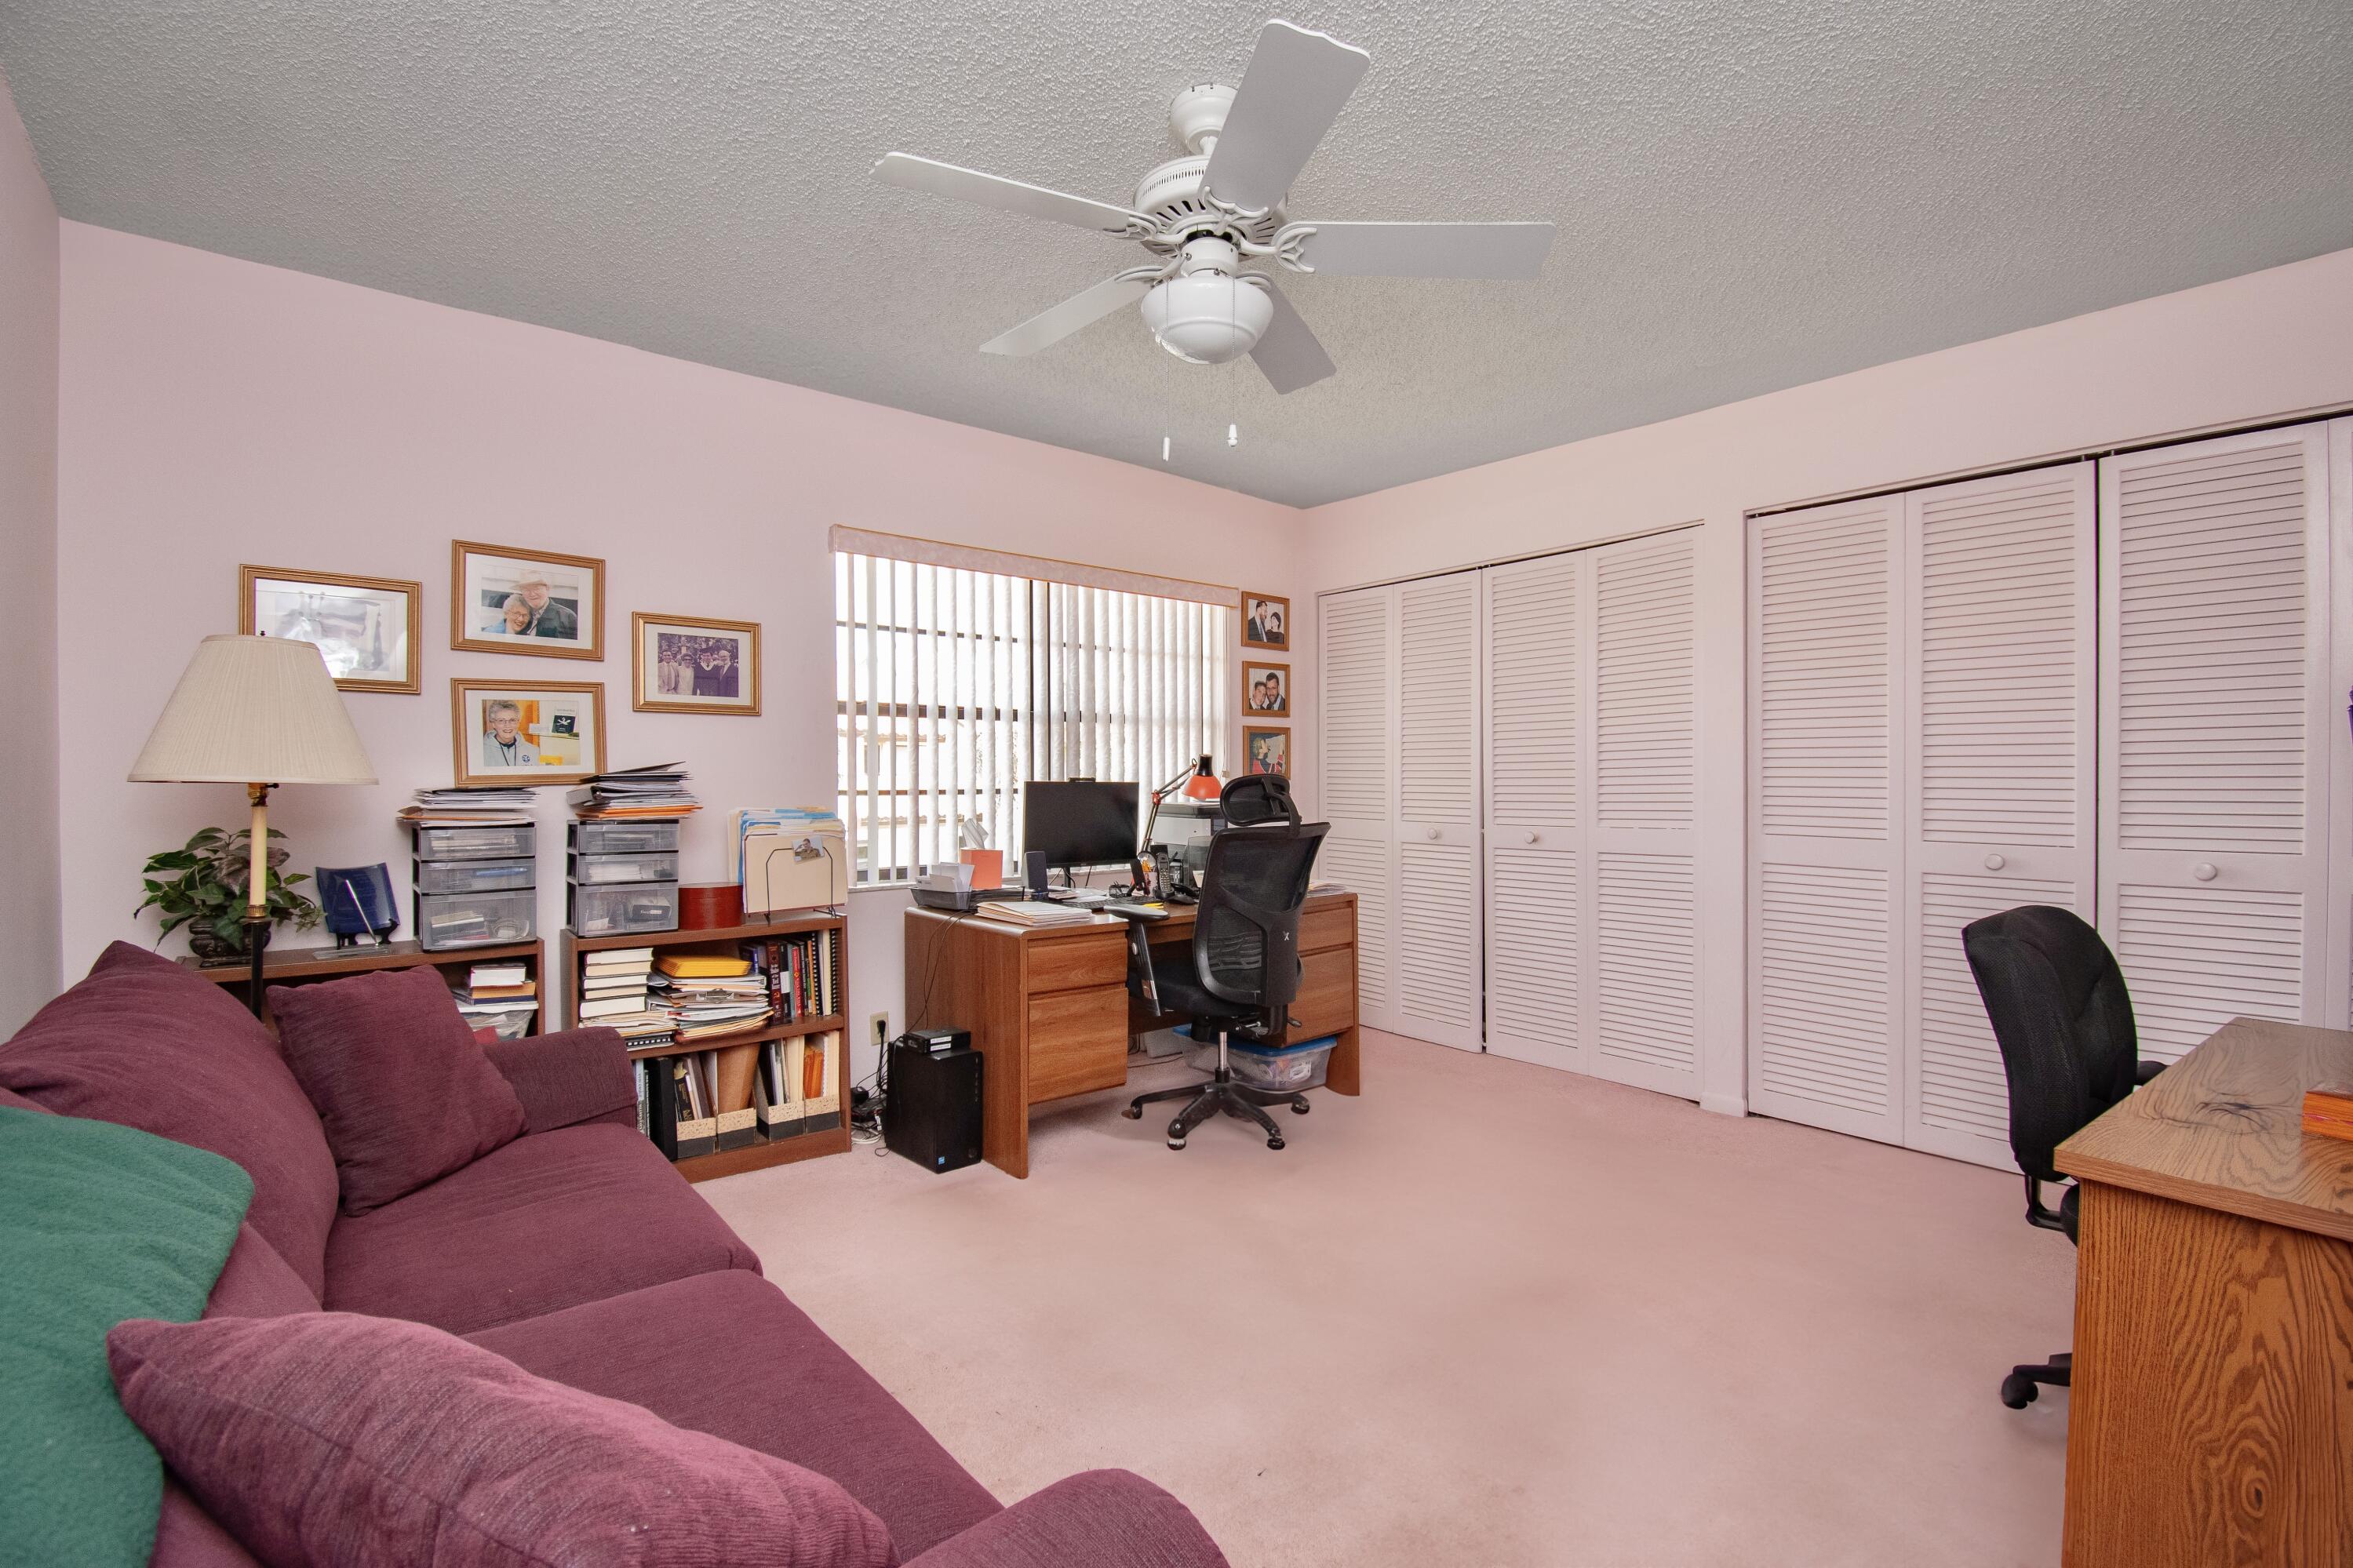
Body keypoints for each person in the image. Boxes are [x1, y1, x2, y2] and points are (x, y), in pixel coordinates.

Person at [515, 576, 578, 640]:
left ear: (547, 589)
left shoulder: (566, 616)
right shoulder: (518, 616)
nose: (532, 594)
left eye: (536, 589)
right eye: (526, 590)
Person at [480, 699, 534, 768]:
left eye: (512, 720)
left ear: (518, 723)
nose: (507, 725)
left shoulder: (534, 751)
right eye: (501, 720)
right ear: (493, 724)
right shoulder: (480, 752)